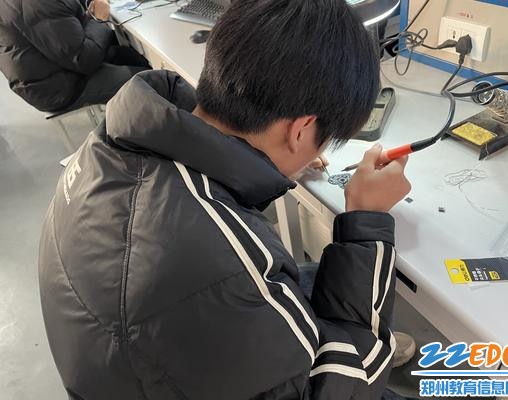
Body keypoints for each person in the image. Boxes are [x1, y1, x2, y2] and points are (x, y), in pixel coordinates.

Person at [38, 0, 411, 399]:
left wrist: (272, 163)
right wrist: (366, 220)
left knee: (317, 276)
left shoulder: (118, 139)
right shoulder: (224, 265)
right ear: (300, 130)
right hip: (163, 349)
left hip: (130, 353)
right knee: (368, 356)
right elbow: (347, 389)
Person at [0, 0, 149, 112]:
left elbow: (68, 12)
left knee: (132, 55)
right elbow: (84, 59)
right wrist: (98, 19)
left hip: (58, 65)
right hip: (57, 88)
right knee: (150, 79)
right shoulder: (38, 4)